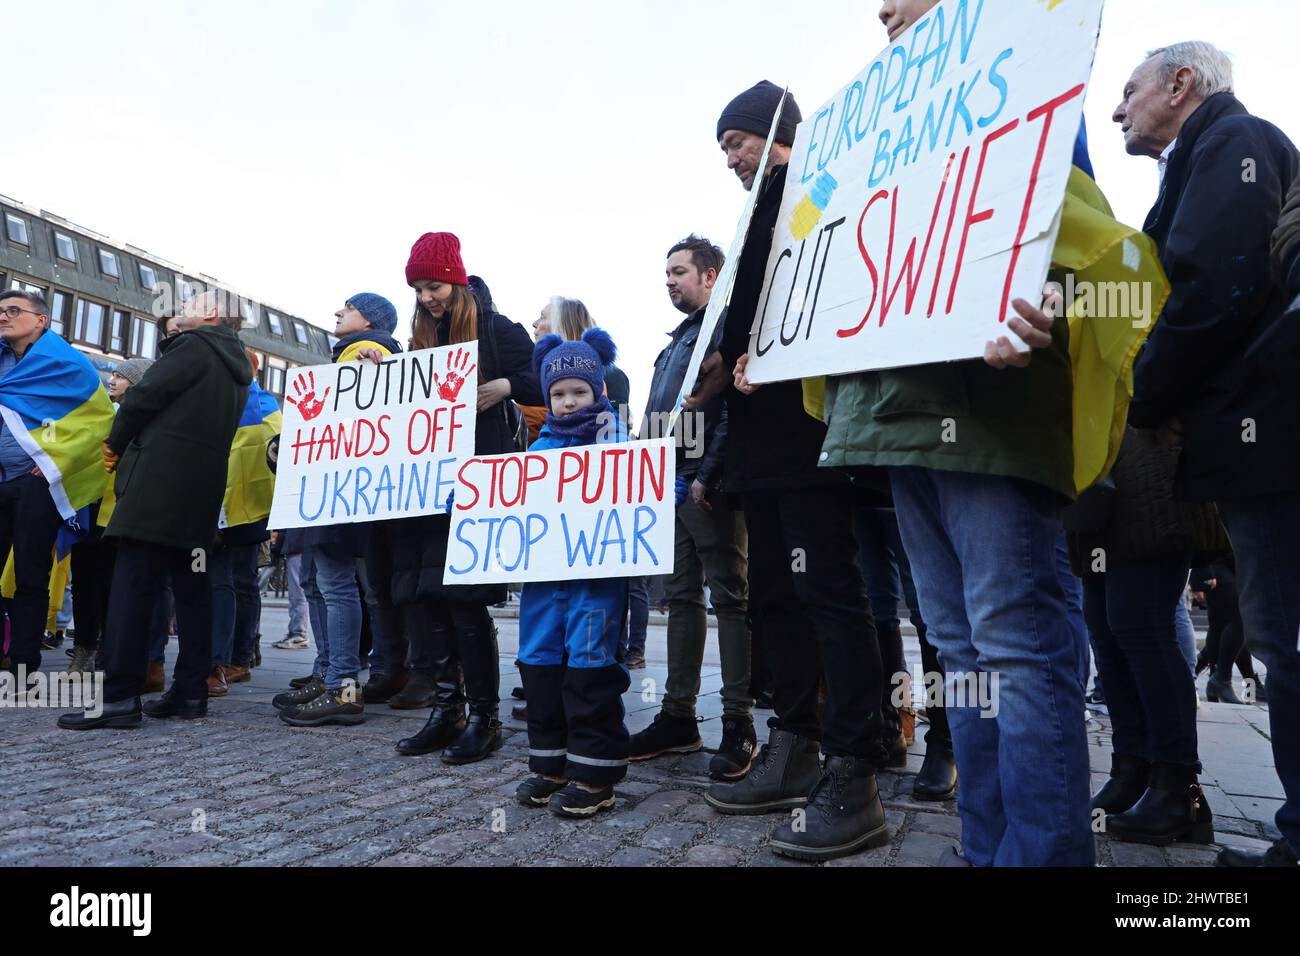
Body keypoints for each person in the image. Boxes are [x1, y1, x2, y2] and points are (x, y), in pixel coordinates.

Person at [683, 81, 891, 862]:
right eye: (723, 147)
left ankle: (854, 765)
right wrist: (724, 357)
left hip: (808, 426)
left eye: (734, 141)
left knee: (826, 587)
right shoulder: (753, 212)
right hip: (760, 435)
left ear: (773, 133)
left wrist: (773, 350)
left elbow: (823, 277)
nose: (729, 158)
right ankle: (795, 737)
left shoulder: (814, 187)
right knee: (773, 589)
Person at [1112, 41, 1300, 867]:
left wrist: (1139, 392)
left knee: (1284, 645)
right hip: (1248, 433)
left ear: (1181, 84)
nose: (1120, 110)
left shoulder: (1232, 142)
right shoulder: (1208, 155)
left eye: (1131, 91)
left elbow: (1213, 288)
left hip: (1268, 433)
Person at [58, 291, 252, 729]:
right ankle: (190, 692)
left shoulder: (195, 346)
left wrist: (115, 441)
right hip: (199, 490)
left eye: (194, 299)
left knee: (131, 585)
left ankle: (120, 697)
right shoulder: (237, 363)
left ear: (211, 313)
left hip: (158, 487)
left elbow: (145, 395)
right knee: (193, 588)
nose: (182, 302)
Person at [387, 232, 543, 764]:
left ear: (455, 278)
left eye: (433, 286)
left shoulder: (499, 330)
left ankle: (484, 717)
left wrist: (504, 386)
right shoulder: (421, 342)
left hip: (478, 483)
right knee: (428, 596)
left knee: (466, 599)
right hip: (429, 486)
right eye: (419, 290)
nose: (427, 298)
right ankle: (446, 708)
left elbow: (544, 379)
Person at [629, 234, 755, 781]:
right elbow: (661, 416)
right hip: (668, 482)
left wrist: (709, 473)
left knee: (730, 597)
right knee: (680, 598)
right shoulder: (676, 341)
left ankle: (738, 723)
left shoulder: (725, 329)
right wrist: (642, 469)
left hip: (707, 486)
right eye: (667, 273)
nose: (670, 281)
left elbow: (729, 411)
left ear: (710, 276)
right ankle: (678, 716)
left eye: (679, 271)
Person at [1070, 426, 1228, 845]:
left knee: (1141, 626)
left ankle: (1177, 784)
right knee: (1105, 627)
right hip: (1102, 473)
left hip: (1153, 463)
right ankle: (1133, 769)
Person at [514, 328, 632, 816]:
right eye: (558, 394)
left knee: (589, 669)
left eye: (578, 392)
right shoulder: (537, 449)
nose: (567, 402)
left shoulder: (617, 442)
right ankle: (549, 764)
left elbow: (638, 484)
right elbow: (511, 498)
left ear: (599, 391)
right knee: (539, 666)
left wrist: (665, 489)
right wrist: (475, 502)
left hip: (595, 586)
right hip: (544, 590)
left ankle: (594, 774)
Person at [274, 294, 400, 727]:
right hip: (336, 493)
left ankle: (342, 685)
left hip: (342, 496)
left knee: (336, 587)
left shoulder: (370, 353)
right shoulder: (351, 355)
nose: (337, 312)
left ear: (371, 320)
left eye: (347, 307)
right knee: (331, 585)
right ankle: (335, 675)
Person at [0, 289, 114, 684]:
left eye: (14, 310)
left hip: (36, 483)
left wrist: (55, 461)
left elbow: (96, 420)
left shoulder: (68, 364)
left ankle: (22, 665)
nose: (4, 317)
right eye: (0, 311)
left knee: (31, 573)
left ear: (41, 320)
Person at [67, 358, 156, 679]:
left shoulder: (145, 420)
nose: (113, 379)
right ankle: (84, 648)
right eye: (114, 373)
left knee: (111, 584)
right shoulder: (101, 412)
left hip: (120, 512)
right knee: (83, 582)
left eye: (122, 376)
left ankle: (108, 647)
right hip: (88, 506)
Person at [208, 351, 279, 696]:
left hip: (248, 509)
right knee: (227, 580)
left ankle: (239, 657)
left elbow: (274, 453)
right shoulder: (211, 394)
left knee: (242, 580)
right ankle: (226, 657)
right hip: (214, 502)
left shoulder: (263, 405)